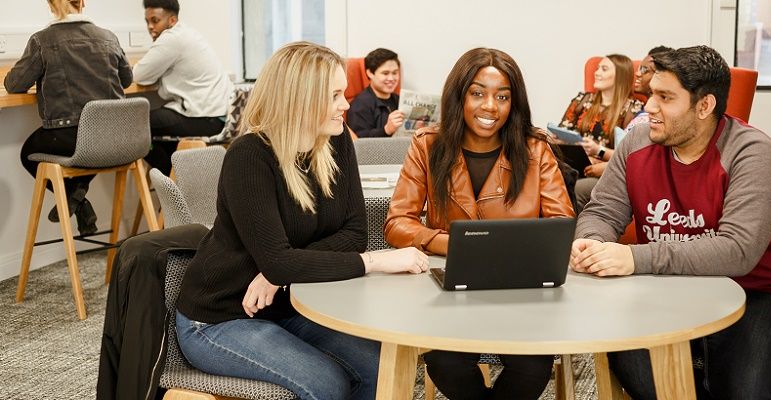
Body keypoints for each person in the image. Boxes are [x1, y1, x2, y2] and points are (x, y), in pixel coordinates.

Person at [174, 41, 429, 400]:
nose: (347, 104)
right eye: (335, 95)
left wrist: (278, 273)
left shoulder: (335, 141)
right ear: (300, 99)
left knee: (375, 367)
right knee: (327, 384)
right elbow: (285, 259)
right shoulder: (250, 156)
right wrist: (375, 261)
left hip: (289, 303)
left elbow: (354, 234)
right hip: (220, 317)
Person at [570, 45, 771, 400]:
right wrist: (592, 241)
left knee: (746, 389)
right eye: (650, 94)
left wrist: (636, 258)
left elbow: (738, 251)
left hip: (759, 293)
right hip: (665, 288)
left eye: (665, 97)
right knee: (643, 372)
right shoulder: (636, 144)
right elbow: (602, 211)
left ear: (704, 106)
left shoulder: (753, 153)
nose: (649, 107)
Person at [384, 47, 575, 399]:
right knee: (445, 362)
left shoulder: (535, 150)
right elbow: (397, 223)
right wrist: (452, 243)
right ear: (459, 96)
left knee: (533, 367)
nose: (490, 106)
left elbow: (562, 225)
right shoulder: (428, 145)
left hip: (523, 290)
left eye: (503, 96)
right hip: (454, 288)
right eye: (478, 93)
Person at [4, 0, 132, 236]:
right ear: (83, 2)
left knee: (28, 153)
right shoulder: (109, 38)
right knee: (91, 146)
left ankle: (78, 196)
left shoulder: (43, 40)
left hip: (73, 138)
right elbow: (126, 80)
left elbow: (14, 84)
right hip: (117, 137)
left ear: (51, 4)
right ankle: (78, 194)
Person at [133, 0, 232, 175]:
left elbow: (138, 75)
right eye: (147, 21)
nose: (150, 27)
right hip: (217, 116)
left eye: (155, 21)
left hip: (203, 117)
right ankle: (179, 181)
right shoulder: (187, 33)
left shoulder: (171, 39)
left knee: (133, 124)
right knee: (156, 136)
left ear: (171, 20)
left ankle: (175, 184)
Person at [558, 54, 644, 214]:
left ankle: (567, 236)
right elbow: (561, 133)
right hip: (572, 165)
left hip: (603, 172)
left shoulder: (633, 109)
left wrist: (597, 151)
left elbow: (631, 155)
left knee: (571, 189)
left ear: (620, 76)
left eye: (604, 69)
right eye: (597, 68)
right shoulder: (582, 100)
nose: (596, 73)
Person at [347, 48, 404, 138]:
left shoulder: (399, 99)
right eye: (385, 73)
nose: (391, 78)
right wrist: (386, 130)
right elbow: (360, 143)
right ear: (370, 73)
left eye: (395, 73)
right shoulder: (359, 105)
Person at [625, 45, 673, 132]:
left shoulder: (654, 119)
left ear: (660, 74)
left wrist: (598, 146)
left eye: (644, 69)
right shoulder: (643, 111)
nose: (637, 73)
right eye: (640, 68)